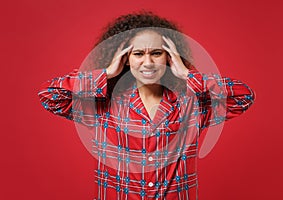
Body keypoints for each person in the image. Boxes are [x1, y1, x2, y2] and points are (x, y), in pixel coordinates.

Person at [38, 11, 255, 200]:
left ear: (170, 58)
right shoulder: (104, 104)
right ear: (125, 59)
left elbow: (243, 97)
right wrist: (106, 73)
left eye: (156, 53)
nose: (148, 63)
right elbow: (50, 95)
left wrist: (188, 75)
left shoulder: (190, 104)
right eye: (138, 54)